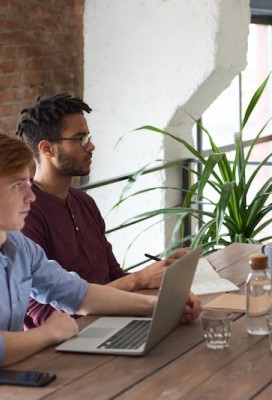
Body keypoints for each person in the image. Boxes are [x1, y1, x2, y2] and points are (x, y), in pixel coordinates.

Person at [0, 132, 201, 367]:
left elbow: (80, 295)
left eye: (28, 183)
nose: (31, 196)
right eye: (17, 186)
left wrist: (160, 306)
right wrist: (49, 332)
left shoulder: (20, 247)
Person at [15, 93, 191, 329]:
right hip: (65, 342)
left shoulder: (84, 202)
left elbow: (114, 276)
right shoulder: (25, 214)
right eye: (80, 139)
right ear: (47, 149)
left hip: (111, 322)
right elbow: (44, 316)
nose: (91, 146)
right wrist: (140, 281)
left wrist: (162, 272)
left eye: (88, 137)